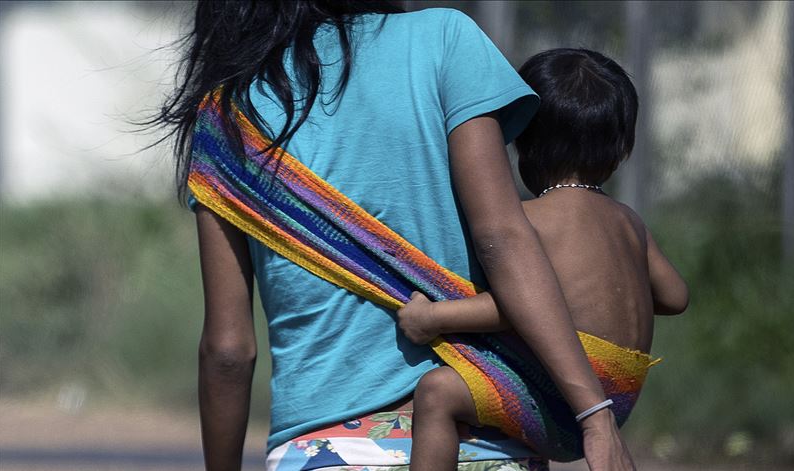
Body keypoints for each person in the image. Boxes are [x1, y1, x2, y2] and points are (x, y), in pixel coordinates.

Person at [153, 2, 635, 469]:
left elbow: (228, 351)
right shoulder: (446, 40)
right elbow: (503, 238)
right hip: (485, 442)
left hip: (328, 451)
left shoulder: (226, 118)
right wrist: (594, 415)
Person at [397, 48, 689, 470]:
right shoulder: (629, 221)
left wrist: (433, 319)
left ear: (521, 144)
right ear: (622, 150)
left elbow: (520, 305)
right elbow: (676, 297)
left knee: (436, 393)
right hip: (619, 395)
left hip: (565, 397)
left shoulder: (529, 220)